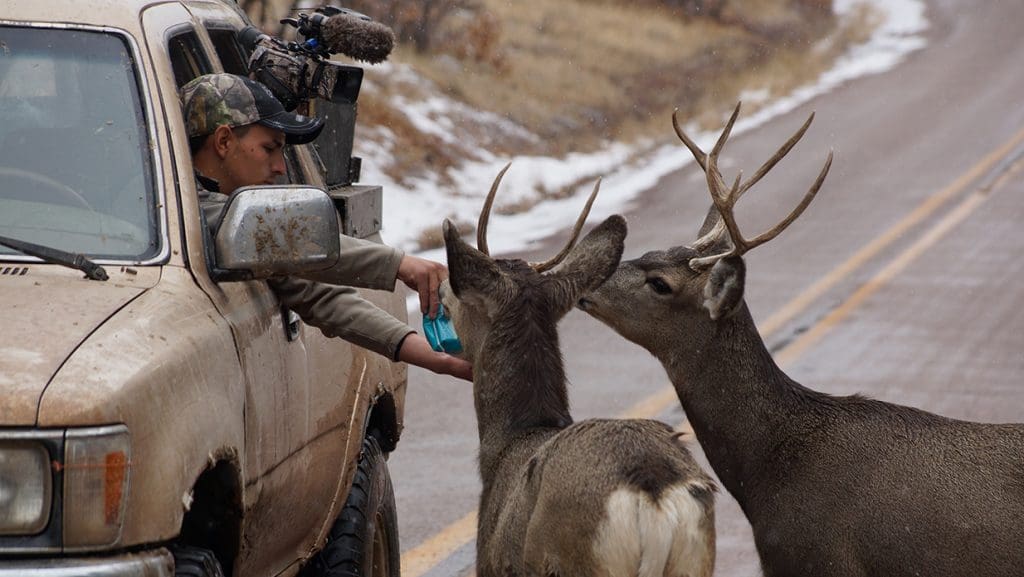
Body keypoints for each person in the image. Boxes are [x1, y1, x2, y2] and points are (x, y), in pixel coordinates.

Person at [181, 73, 471, 381]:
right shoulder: (195, 212)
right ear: (224, 141)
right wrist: (401, 264)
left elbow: (321, 297)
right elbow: (281, 236)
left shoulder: (234, 222)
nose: (280, 168)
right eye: (269, 148)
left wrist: (442, 361)